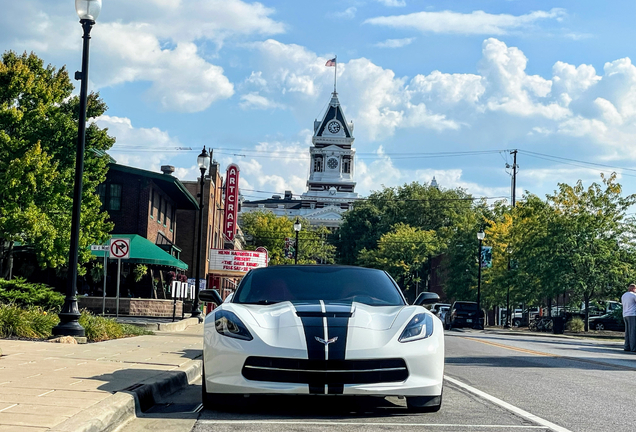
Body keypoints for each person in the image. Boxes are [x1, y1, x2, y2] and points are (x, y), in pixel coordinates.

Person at [621, 284, 636, 352]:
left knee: (627, 332)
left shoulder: (624, 295)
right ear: (633, 289)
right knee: (633, 331)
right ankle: (633, 348)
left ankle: (627, 346)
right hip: (632, 314)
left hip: (625, 314)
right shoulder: (633, 295)